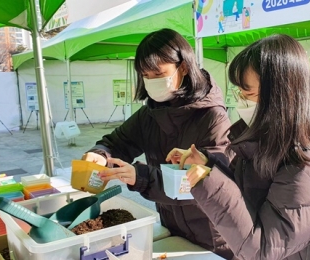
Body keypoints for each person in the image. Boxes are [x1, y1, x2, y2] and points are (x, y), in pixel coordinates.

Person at [167, 34, 310, 259]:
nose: (241, 100)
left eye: (248, 93)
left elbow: (262, 249)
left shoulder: (304, 165)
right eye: (239, 92)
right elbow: (251, 191)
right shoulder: (271, 142)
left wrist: (208, 182)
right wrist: (209, 164)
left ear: (281, 96)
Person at [82, 28, 235, 259]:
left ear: (183, 67)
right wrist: (100, 153)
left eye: (158, 73)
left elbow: (205, 182)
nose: (151, 81)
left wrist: (140, 176)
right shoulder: (150, 115)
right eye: (146, 75)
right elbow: (117, 142)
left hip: (214, 232)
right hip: (172, 225)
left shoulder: (213, 117)